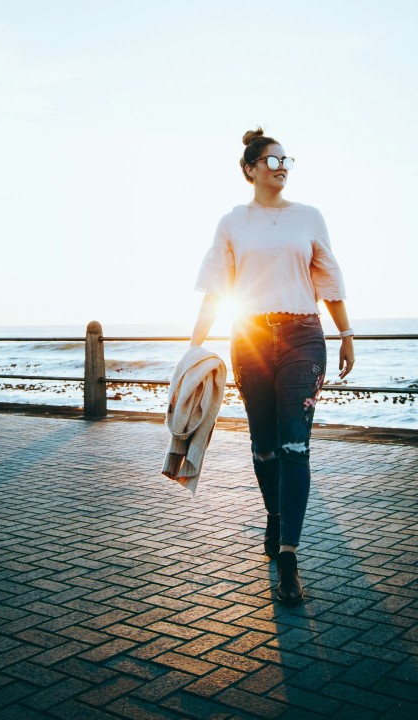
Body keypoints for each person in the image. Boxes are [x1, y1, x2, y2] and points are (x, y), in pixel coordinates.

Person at [190, 127, 355, 603]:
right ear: (250, 169)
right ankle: (275, 514)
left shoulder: (309, 217)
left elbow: (328, 275)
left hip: (304, 335)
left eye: (287, 159)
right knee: (263, 448)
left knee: (294, 447)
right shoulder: (232, 222)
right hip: (250, 338)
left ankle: (287, 557)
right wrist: (193, 347)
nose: (281, 166)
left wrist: (345, 333)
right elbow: (216, 288)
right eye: (272, 160)